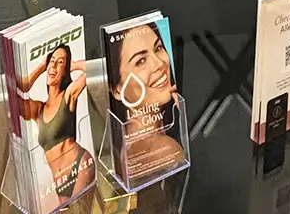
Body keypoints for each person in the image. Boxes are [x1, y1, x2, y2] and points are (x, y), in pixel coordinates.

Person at [16, 44, 94, 204]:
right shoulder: (38, 109)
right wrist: (40, 68)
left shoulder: (68, 95)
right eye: (52, 60)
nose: (54, 65)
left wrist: (73, 65)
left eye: (60, 62)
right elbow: (15, 99)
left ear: (65, 70)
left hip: (80, 166)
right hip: (59, 182)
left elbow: (93, 68)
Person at [108, 22, 184, 176]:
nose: (159, 63)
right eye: (140, 61)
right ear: (117, 89)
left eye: (158, 48)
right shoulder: (164, 150)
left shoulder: (161, 128)